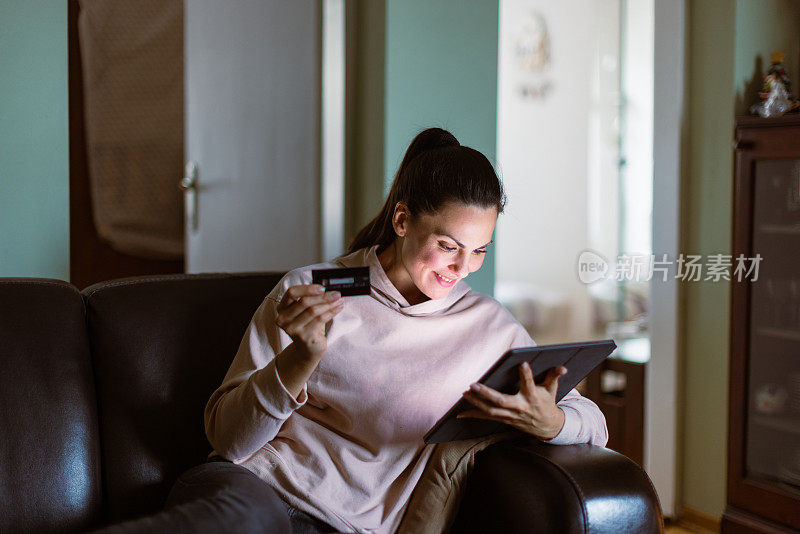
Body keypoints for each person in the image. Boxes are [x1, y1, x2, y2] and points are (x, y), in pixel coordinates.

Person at [174, 127, 608, 534]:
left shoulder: (489, 327)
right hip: (259, 489)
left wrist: (551, 422)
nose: (462, 268)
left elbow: (593, 422)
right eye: (447, 246)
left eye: (479, 251)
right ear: (403, 220)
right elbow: (229, 441)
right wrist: (299, 360)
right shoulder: (313, 291)